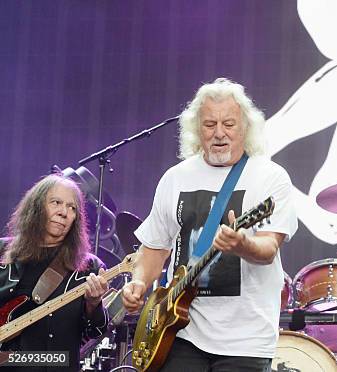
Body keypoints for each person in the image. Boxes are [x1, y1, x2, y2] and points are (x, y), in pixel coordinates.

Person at [122, 78, 298, 371]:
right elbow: (154, 249)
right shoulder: (175, 178)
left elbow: (268, 248)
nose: (219, 133)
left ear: (245, 127)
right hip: (178, 333)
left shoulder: (270, 177)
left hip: (246, 340)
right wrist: (139, 282)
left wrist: (243, 244)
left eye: (228, 124)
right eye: (209, 124)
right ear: (196, 129)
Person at [0, 174, 109, 372]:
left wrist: (94, 305)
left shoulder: (89, 267)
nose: (64, 212)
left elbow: (96, 332)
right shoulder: (2, 252)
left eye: (72, 207)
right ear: (37, 206)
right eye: (56, 202)